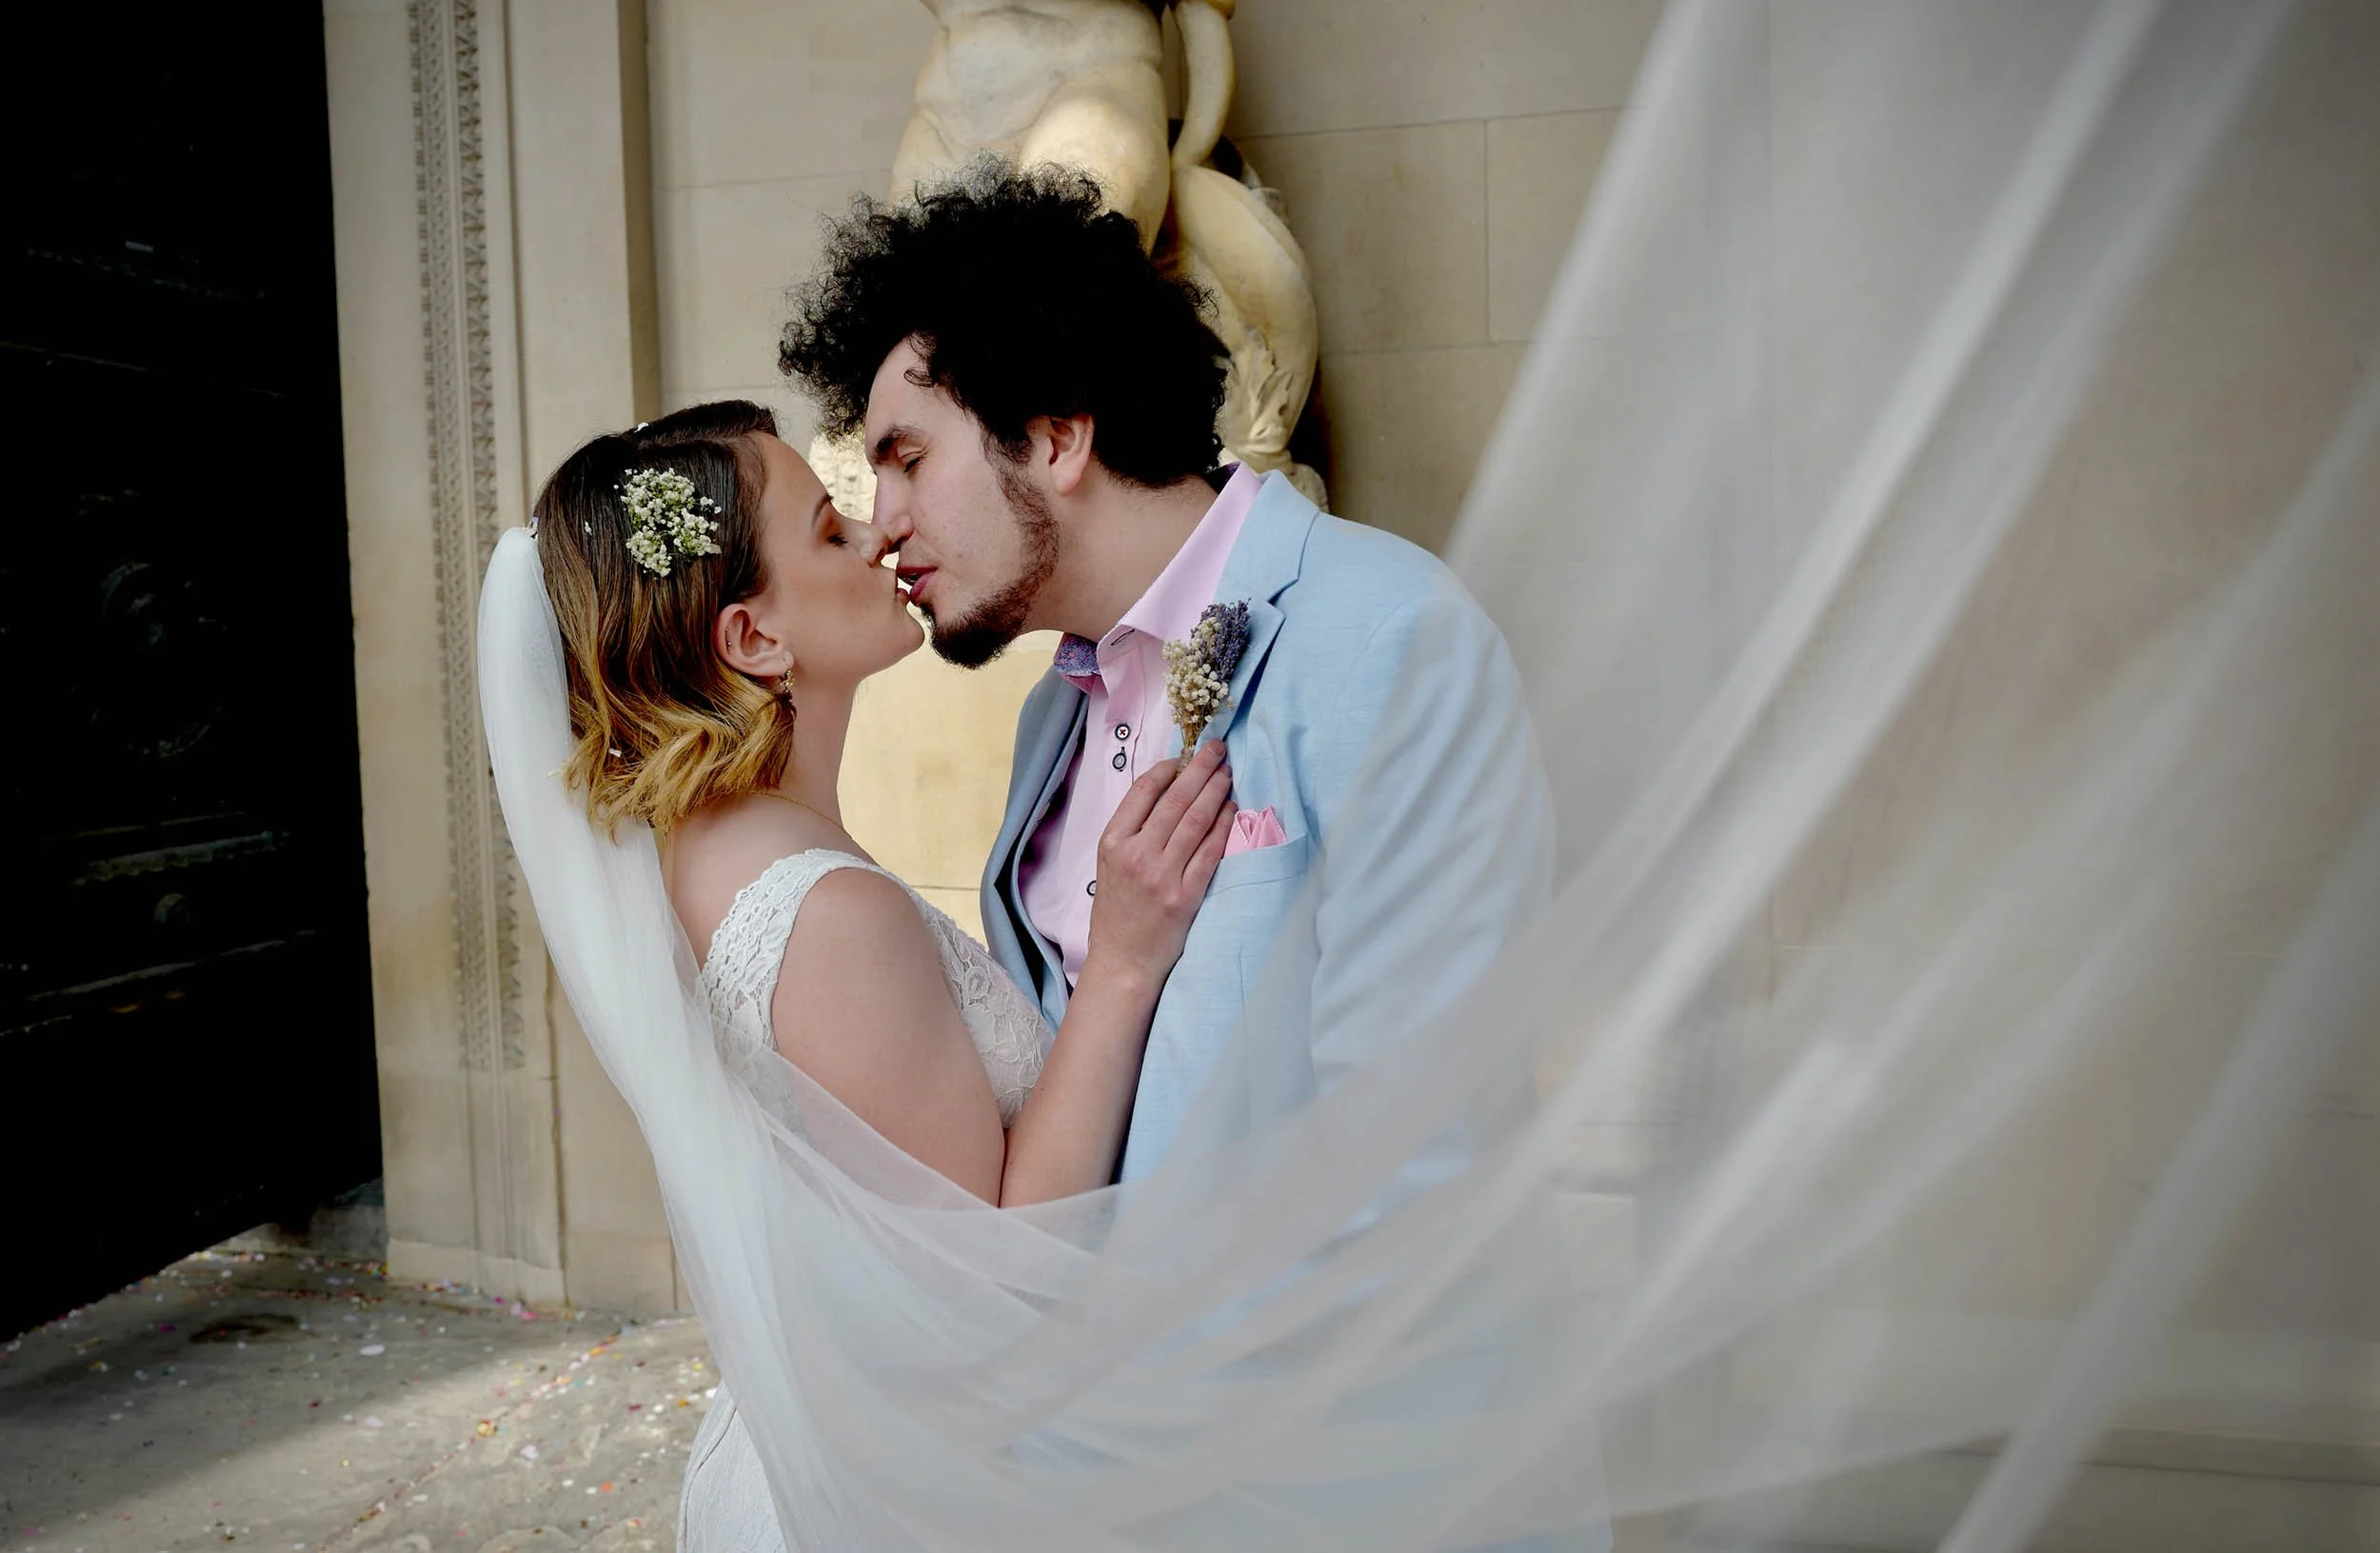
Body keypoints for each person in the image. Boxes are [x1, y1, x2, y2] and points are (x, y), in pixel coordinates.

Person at [515, 399, 1239, 1545]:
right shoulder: (826, 913)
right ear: (753, 637)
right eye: (828, 528)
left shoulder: (705, 846)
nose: (877, 533)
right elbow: (992, 1283)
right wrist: (1123, 963)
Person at [779, 162, 1555, 1192]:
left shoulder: (1389, 637)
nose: (882, 525)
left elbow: (1418, 1155)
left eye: (908, 460)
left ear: (1057, 437)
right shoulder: (1052, 714)